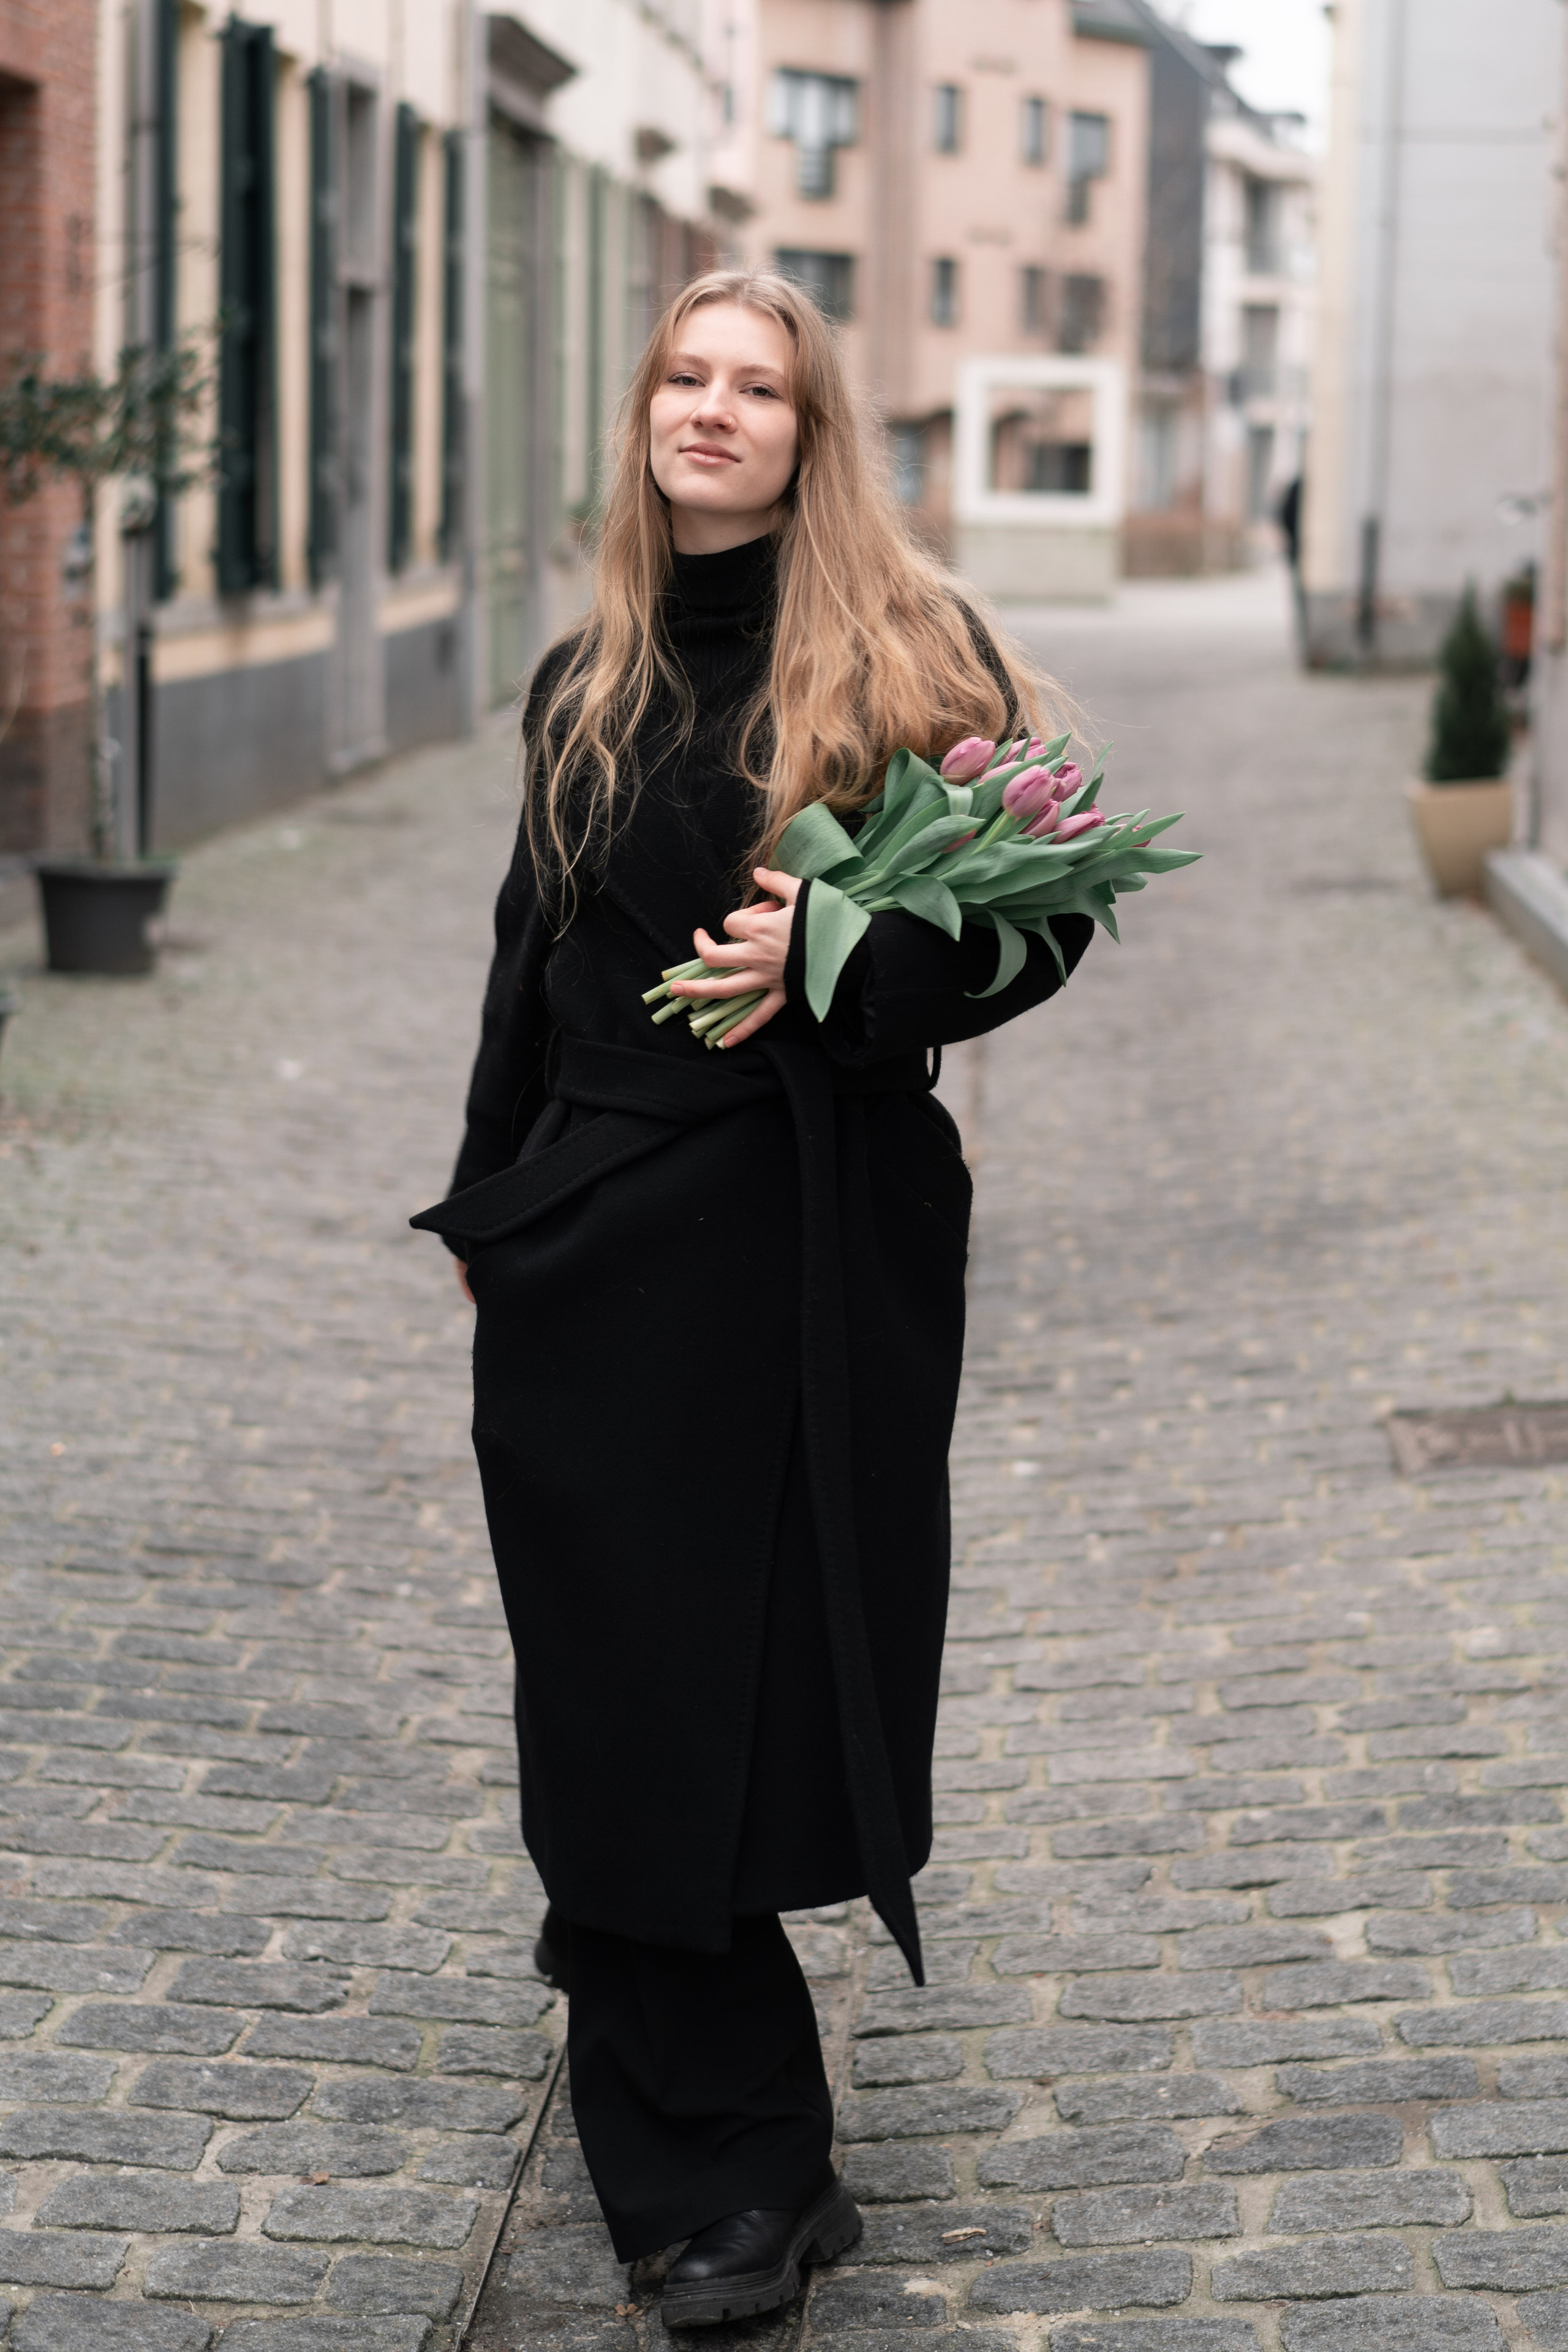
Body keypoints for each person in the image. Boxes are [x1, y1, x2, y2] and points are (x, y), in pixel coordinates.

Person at [412, 268, 1093, 2328]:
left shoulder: (909, 657)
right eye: (684, 380)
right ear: (644, 415)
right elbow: (532, 961)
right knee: (611, 1696)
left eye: (757, 389)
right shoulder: (583, 679)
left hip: (813, 1254)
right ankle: (733, 2161)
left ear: (813, 435)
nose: (712, 412)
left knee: (771, 1675)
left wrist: (845, 951)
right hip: (599, 1262)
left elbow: (1040, 933)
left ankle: (740, 2160)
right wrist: (495, 1213)